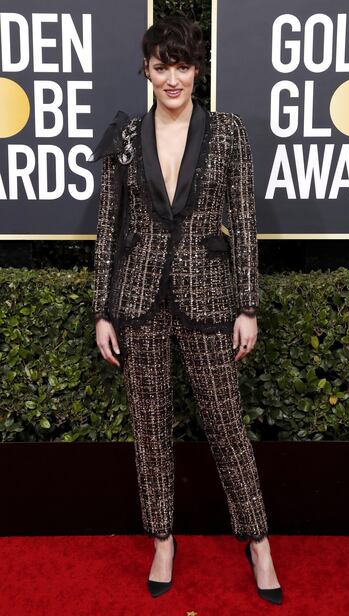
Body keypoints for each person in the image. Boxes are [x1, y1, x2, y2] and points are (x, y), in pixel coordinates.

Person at [90, 15, 282, 605]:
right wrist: (103, 309)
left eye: (183, 65)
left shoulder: (226, 133)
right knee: (149, 431)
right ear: (146, 71)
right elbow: (108, 228)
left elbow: (245, 223)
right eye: (161, 65)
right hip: (139, 301)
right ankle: (163, 541)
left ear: (197, 70)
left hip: (209, 298)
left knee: (226, 427)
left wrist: (247, 304)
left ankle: (259, 543)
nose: (172, 77)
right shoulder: (125, 137)